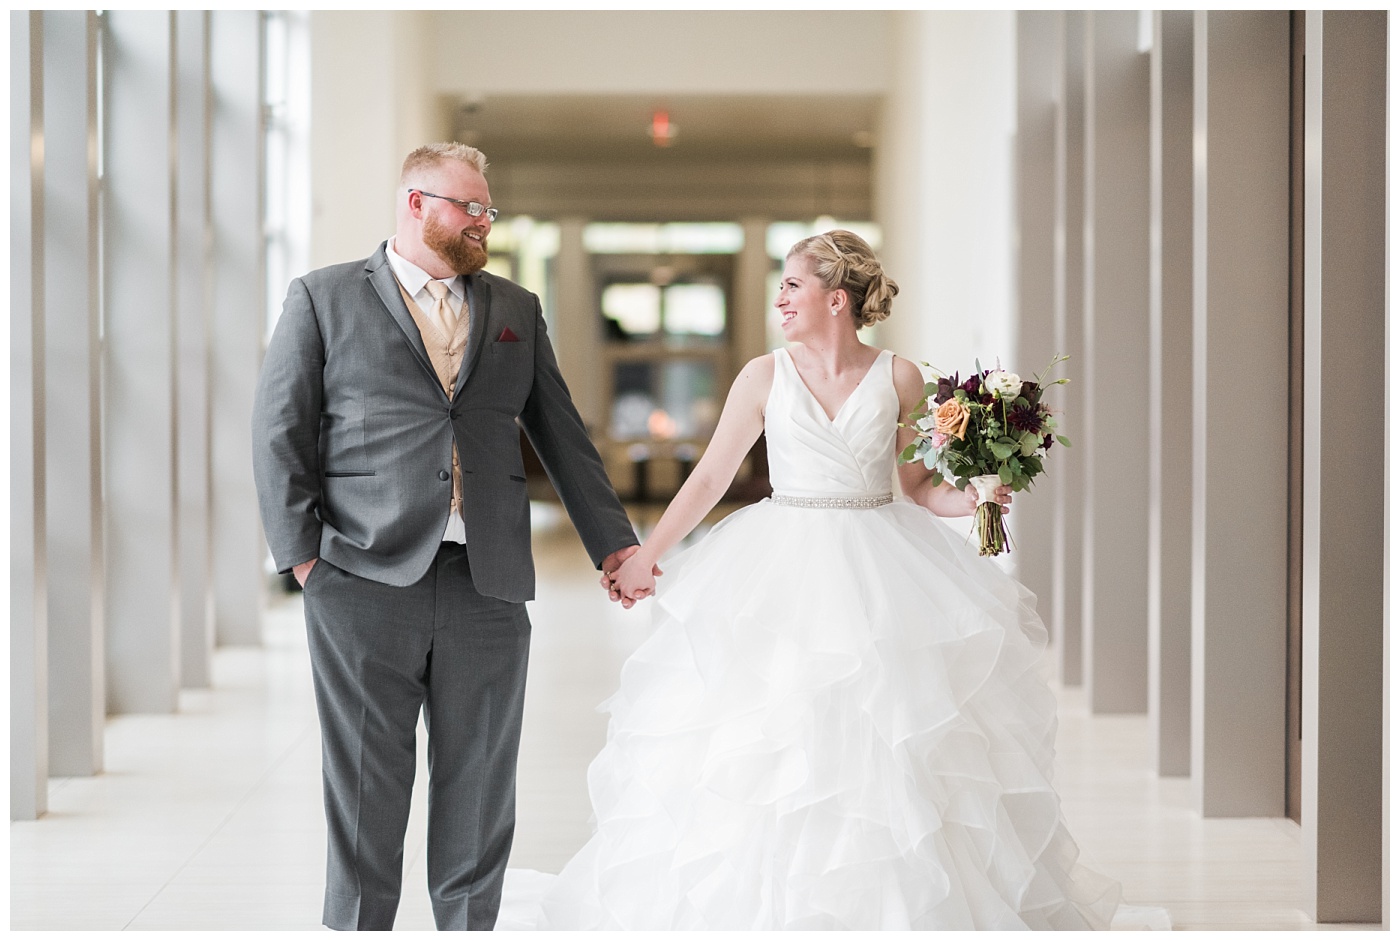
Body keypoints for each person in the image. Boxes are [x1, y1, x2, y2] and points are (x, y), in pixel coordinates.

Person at [503, 229, 1127, 929]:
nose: (780, 299)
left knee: (887, 729)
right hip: (784, 562)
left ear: (838, 298)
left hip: (881, 563)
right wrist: (648, 552)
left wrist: (980, 493)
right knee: (780, 729)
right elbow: (712, 476)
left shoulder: (901, 377)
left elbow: (921, 489)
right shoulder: (762, 375)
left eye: (791, 285)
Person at [251, 142, 649, 931]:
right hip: (361, 577)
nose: (482, 221)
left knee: (480, 781)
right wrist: (304, 559)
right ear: (414, 203)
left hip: (488, 580)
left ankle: (468, 926)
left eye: (487, 209)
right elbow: (278, 431)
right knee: (366, 780)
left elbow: (564, 437)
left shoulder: (514, 309)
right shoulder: (323, 298)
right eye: (467, 207)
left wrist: (615, 544)